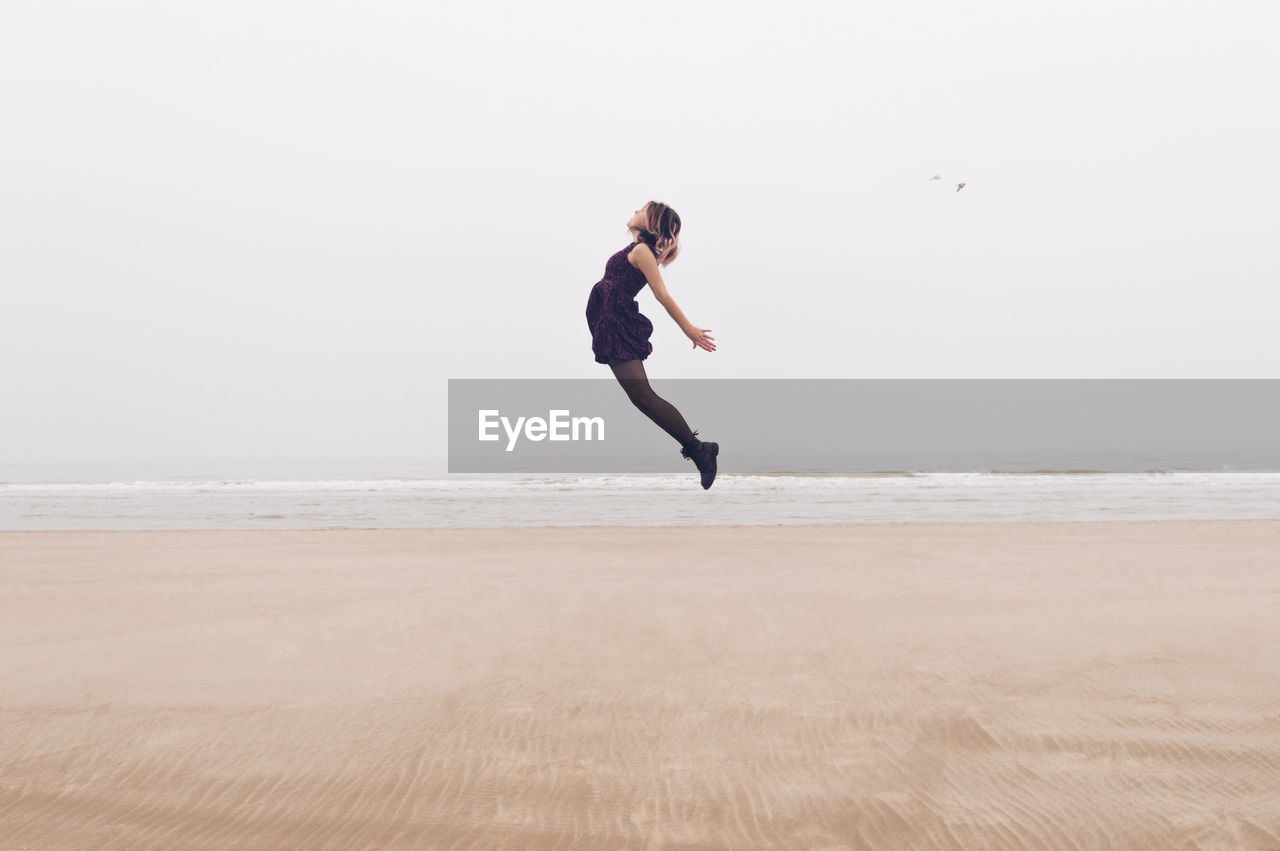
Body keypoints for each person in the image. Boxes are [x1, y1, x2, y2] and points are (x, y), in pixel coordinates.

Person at [584, 201, 719, 489]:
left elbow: (662, 295)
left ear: (651, 222)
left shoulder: (642, 251)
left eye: (642, 208)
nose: (635, 209)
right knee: (640, 397)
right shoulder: (635, 250)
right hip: (610, 324)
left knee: (643, 396)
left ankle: (699, 450)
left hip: (619, 325)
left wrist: (688, 329)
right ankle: (698, 449)